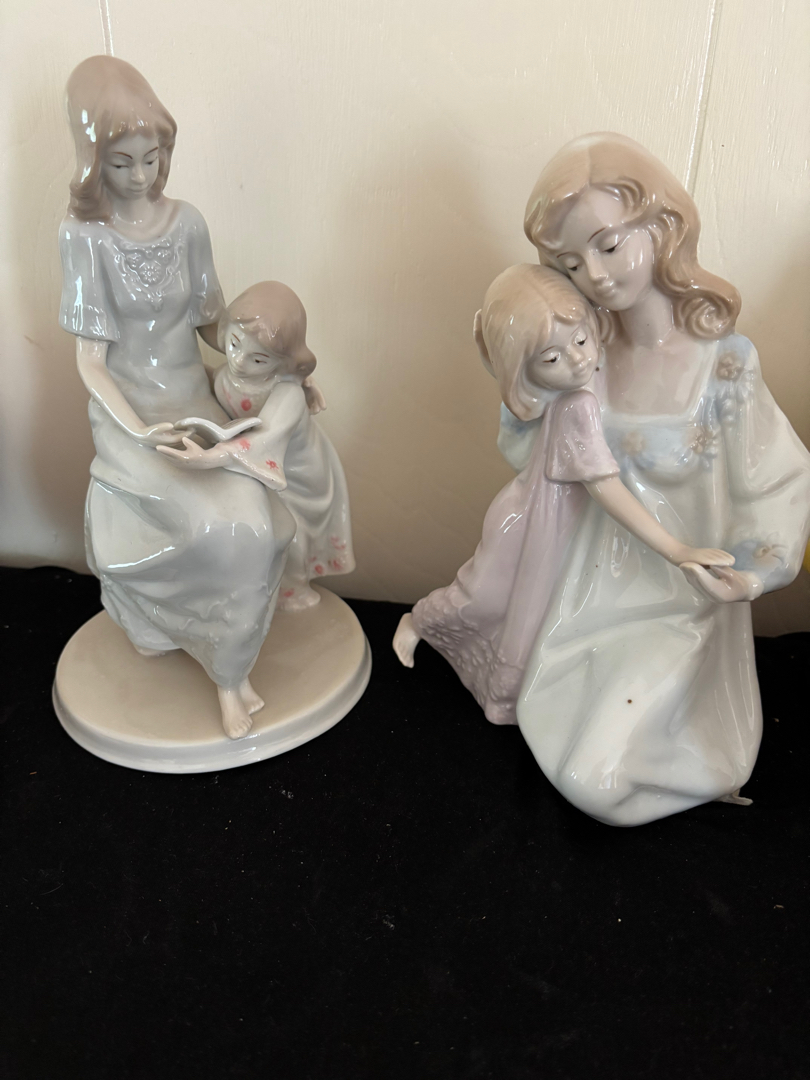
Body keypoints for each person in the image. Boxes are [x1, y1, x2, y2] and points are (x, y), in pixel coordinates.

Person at [513, 132, 810, 825]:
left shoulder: (723, 363)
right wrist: (518, 377)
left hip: (684, 603)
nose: (594, 275)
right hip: (589, 594)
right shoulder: (580, 354)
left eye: (608, 245)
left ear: (661, 225)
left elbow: (777, 480)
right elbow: (534, 455)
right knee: (552, 734)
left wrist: (748, 573)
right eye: (570, 262)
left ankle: (700, 762)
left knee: (596, 781)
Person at [59, 56, 294, 740]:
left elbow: (212, 326)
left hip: (197, 406)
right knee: (207, 528)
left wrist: (269, 355)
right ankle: (216, 663)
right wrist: (138, 432)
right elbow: (89, 362)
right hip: (130, 415)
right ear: (93, 162)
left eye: (151, 158)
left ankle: (232, 669)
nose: (140, 176)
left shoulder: (187, 223)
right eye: (121, 162)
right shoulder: (84, 237)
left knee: (257, 524)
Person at [393, 264, 731, 726]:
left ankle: (511, 693)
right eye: (551, 359)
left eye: (581, 340)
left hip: (556, 525)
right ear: (524, 371)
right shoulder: (577, 407)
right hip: (527, 520)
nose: (576, 361)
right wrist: (676, 549)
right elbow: (606, 489)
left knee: (533, 613)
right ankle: (419, 622)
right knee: (483, 597)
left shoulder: (592, 382)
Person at [159, 281, 355, 610]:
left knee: (290, 533)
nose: (239, 360)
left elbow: (263, 440)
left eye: (259, 360)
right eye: (234, 344)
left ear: (283, 362)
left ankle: (294, 593)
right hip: (255, 464)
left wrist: (208, 457)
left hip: (295, 473)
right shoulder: (227, 375)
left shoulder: (287, 394)